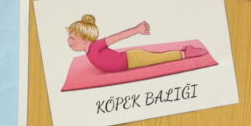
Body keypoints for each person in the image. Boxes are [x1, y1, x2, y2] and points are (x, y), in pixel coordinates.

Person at [65, 15, 209, 77]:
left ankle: (186, 53)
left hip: (133, 59)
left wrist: (137, 29)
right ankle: (184, 52)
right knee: (159, 57)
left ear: (85, 40)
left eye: (72, 38)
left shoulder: (95, 46)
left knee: (160, 58)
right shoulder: (89, 51)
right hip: (130, 60)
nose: (69, 41)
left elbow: (117, 37)